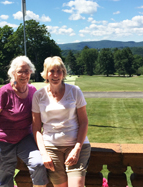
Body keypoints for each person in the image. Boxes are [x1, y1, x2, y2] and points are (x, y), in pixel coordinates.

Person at [0, 56, 48, 187]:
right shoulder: (4, 92)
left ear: (31, 72)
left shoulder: (33, 91)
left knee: (39, 164)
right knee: (5, 178)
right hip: (2, 141)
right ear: (13, 73)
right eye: (20, 71)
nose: (24, 74)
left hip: (25, 138)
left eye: (27, 71)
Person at [32, 56, 91, 187]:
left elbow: (84, 122)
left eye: (59, 71)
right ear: (46, 74)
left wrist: (76, 149)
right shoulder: (39, 95)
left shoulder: (75, 91)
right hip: (52, 148)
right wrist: (44, 154)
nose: (55, 75)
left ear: (63, 73)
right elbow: (36, 128)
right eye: (51, 71)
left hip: (76, 146)